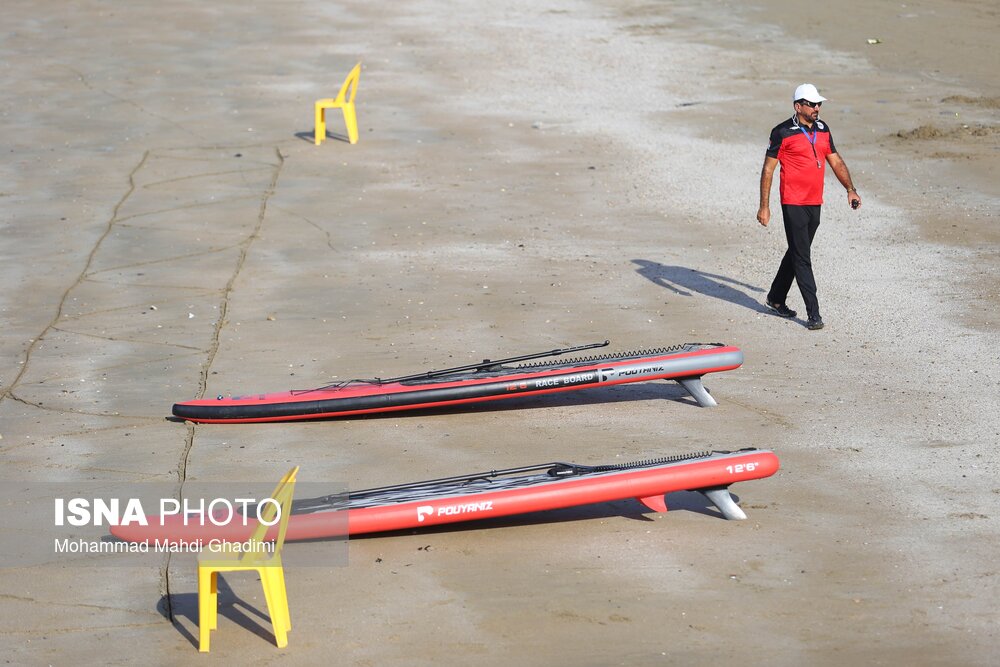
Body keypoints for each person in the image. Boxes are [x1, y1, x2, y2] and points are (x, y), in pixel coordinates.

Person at [756, 83, 861, 330]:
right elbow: (768, 169)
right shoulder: (782, 132)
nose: (817, 108)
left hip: (815, 201)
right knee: (803, 257)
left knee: (797, 250)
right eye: (812, 104)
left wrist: (850, 189)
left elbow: (835, 161)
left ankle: (775, 298)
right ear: (798, 106)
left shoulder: (823, 129)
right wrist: (764, 206)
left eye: (819, 104)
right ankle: (814, 314)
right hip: (792, 201)